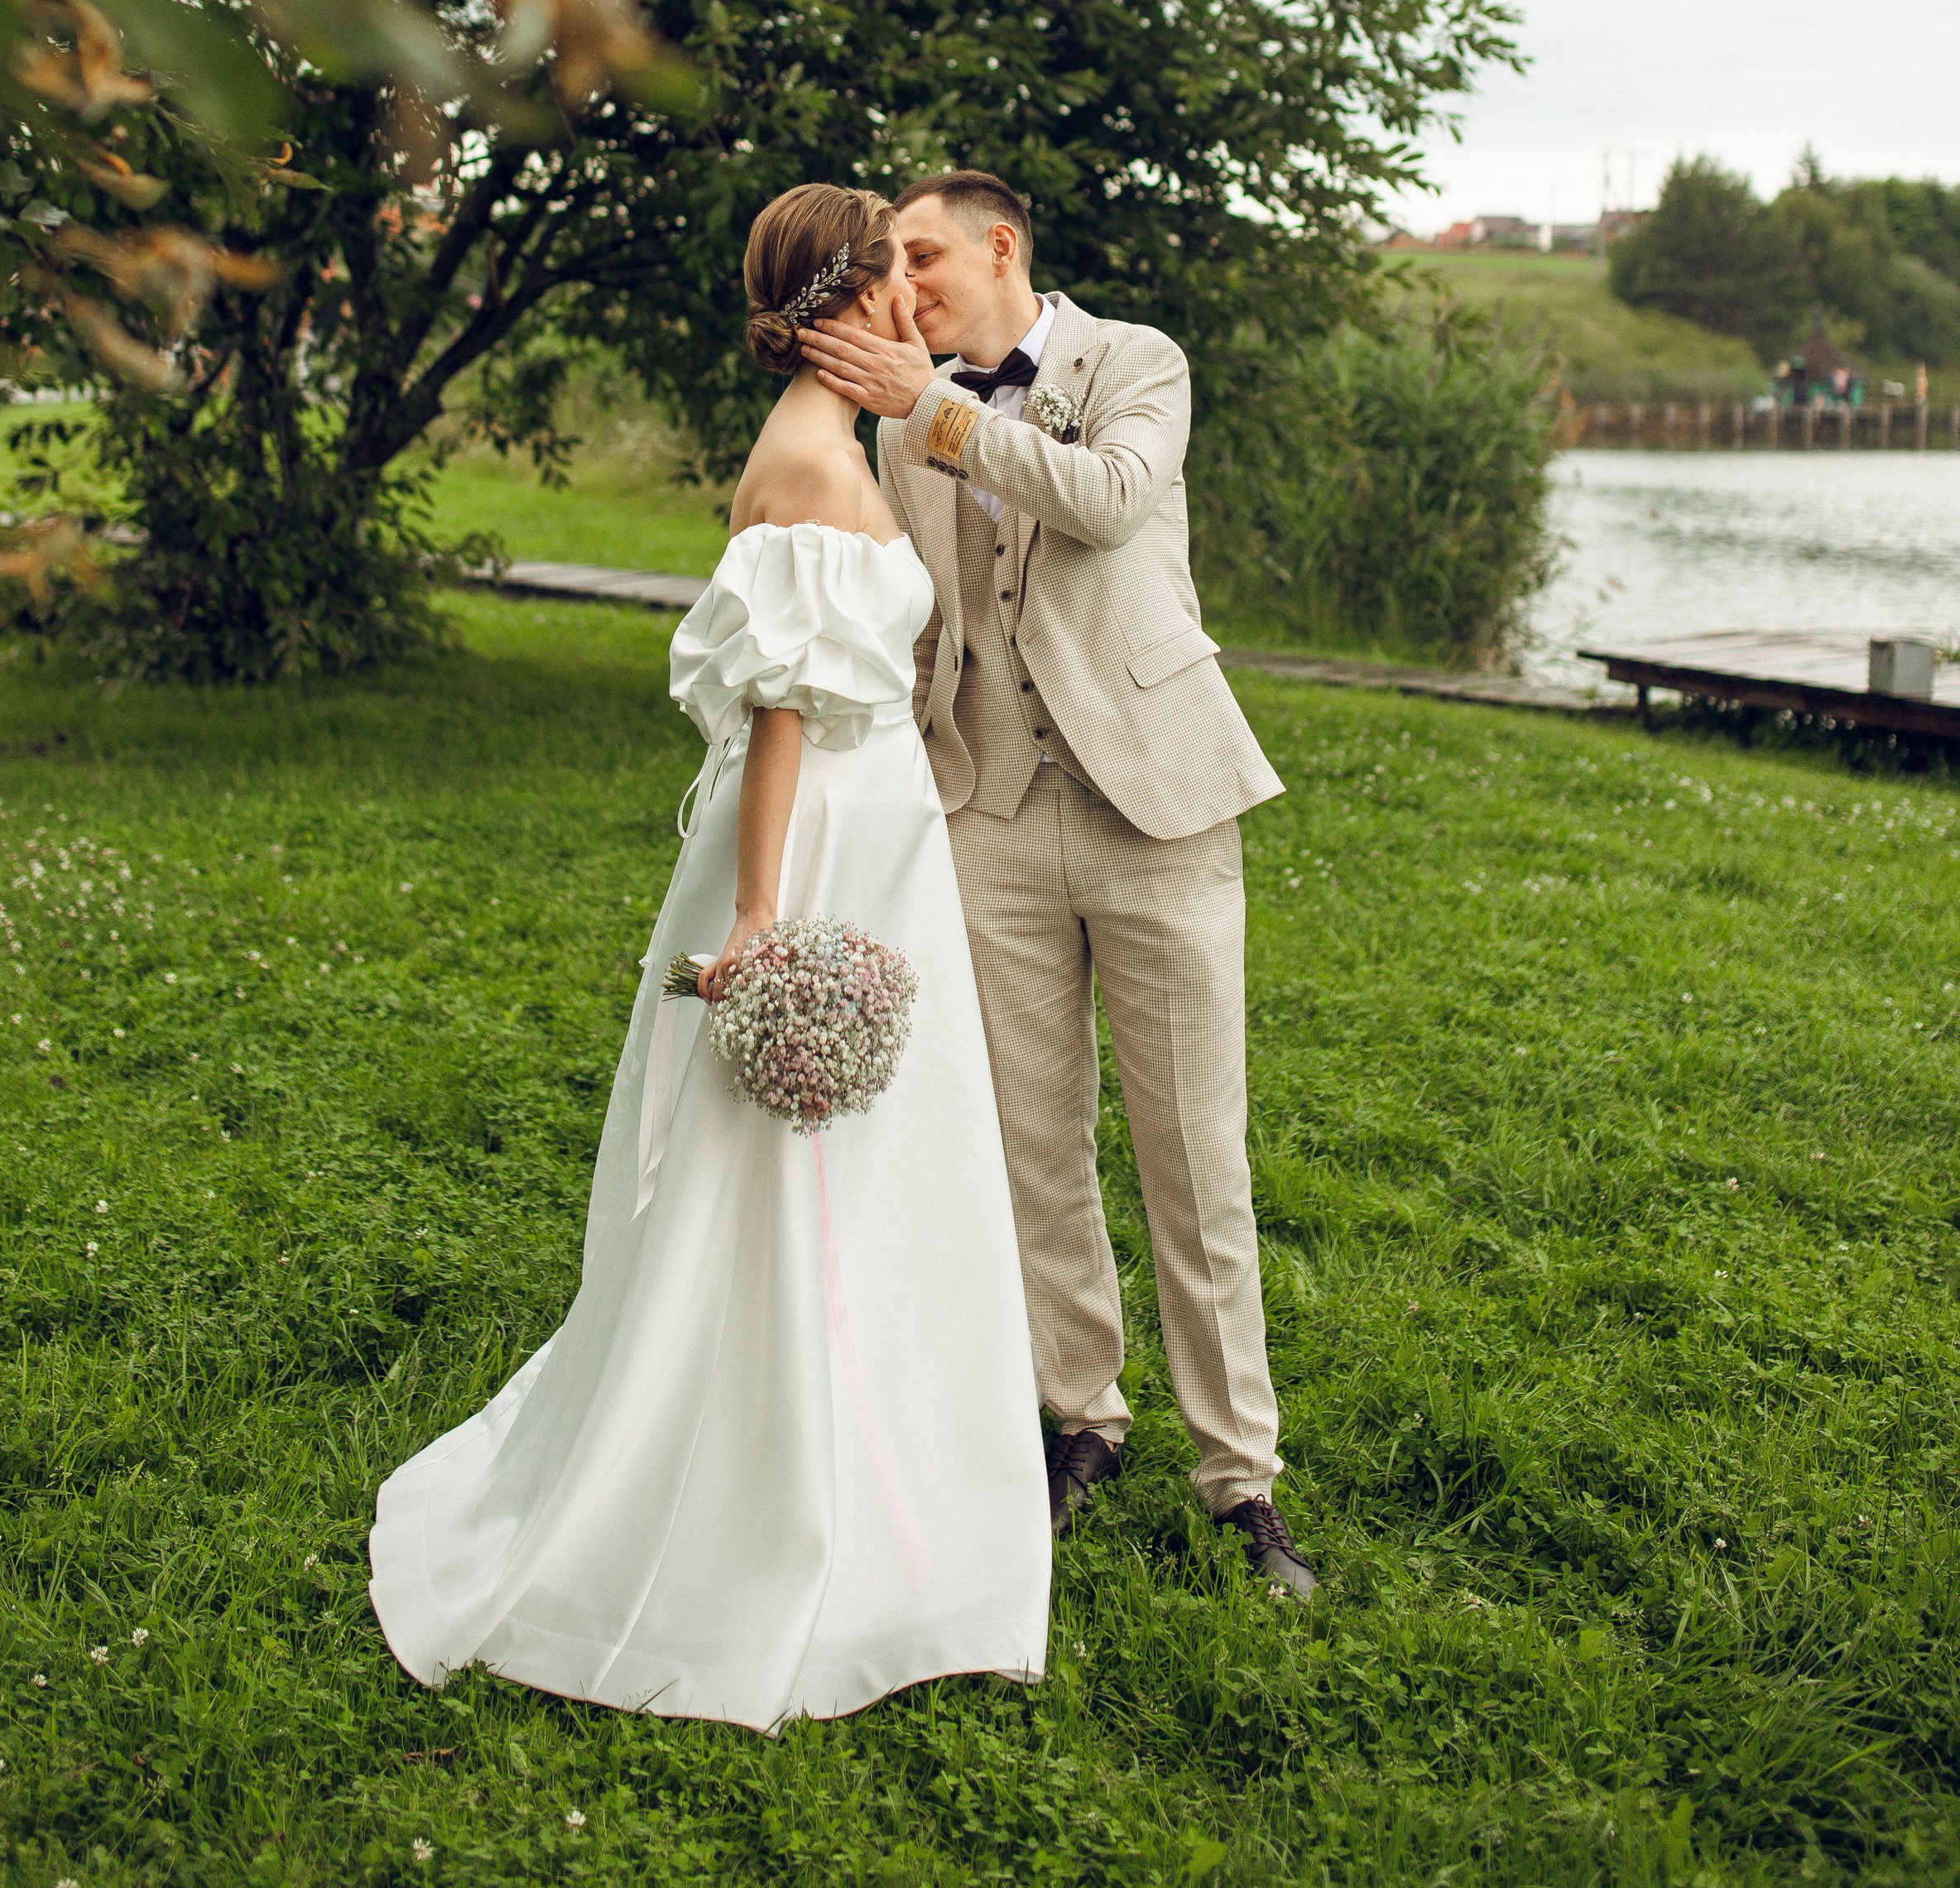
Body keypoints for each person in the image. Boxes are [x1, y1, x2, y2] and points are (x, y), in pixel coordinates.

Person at [369, 183, 1050, 1729]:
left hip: (885, 837)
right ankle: (778, 1508)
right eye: (903, 269)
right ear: (857, 289)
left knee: (888, 1172)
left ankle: (894, 1477)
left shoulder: (848, 434)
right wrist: (760, 922)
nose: (920, 297)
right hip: (817, 851)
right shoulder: (809, 465)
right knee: (782, 1176)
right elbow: (778, 726)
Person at [800, 170, 1314, 1600]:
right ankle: (1078, 1417)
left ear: (999, 246)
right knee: (1034, 1149)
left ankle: (1240, 1482)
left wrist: (934, 409)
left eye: (922, 254)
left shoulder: (1134, 362)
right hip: (994, 815)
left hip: (1158, 809)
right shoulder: (910, 421)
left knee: (1195, 1161)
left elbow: (1106, 499)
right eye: (890, 265)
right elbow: (923, 627)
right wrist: (888, 788)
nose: (904, 283)